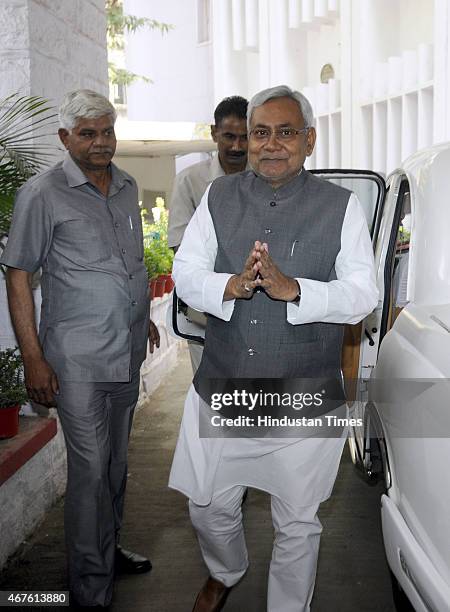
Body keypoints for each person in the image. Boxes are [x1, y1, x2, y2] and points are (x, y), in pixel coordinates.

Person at [169, 85, 379, 611]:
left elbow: (363, 294)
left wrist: (296, 290)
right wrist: (233, 286)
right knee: (207, 506)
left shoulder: (341, 207)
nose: (271, 144)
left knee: (298, 521)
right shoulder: (218, 197)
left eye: (285, 132)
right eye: (261, 132)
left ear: (309, 141)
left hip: (303, 391)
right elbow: (185, 271)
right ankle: (227, 569)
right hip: (224, 385)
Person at [0, 89, 160, 609]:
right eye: (88, 133)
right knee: (90, 470)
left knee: (114, 466)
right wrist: (32, 357)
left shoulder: (128, 185)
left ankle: (107, 553)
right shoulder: (42, 194)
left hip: (126, 351)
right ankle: (91, 589)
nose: (100, 142)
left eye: (107, 131)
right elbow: (19, 274)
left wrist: (143, 318)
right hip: (76, 361)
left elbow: (127, 263)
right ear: (64, 137)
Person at [168, 96, 248, 372]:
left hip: (259, 315)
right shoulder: (189, 181)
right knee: (213, 400)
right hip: (206, 315)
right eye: (229, 136)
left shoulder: (269, 180)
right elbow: (180, 250)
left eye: (245, 136)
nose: (237, 146)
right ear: (214, 133)